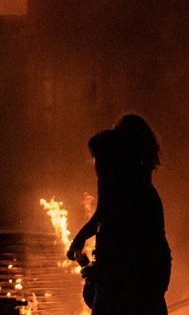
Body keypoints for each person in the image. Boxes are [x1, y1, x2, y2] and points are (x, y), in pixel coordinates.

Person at [68, 114, 170, 315]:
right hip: (131, 286)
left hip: (138, 289)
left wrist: (102, 272)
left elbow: (135, 254)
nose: (97, 168)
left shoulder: (135, 194)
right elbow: (104, 213)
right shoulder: (122, 187)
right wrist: (81, 237)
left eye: (101, 162)